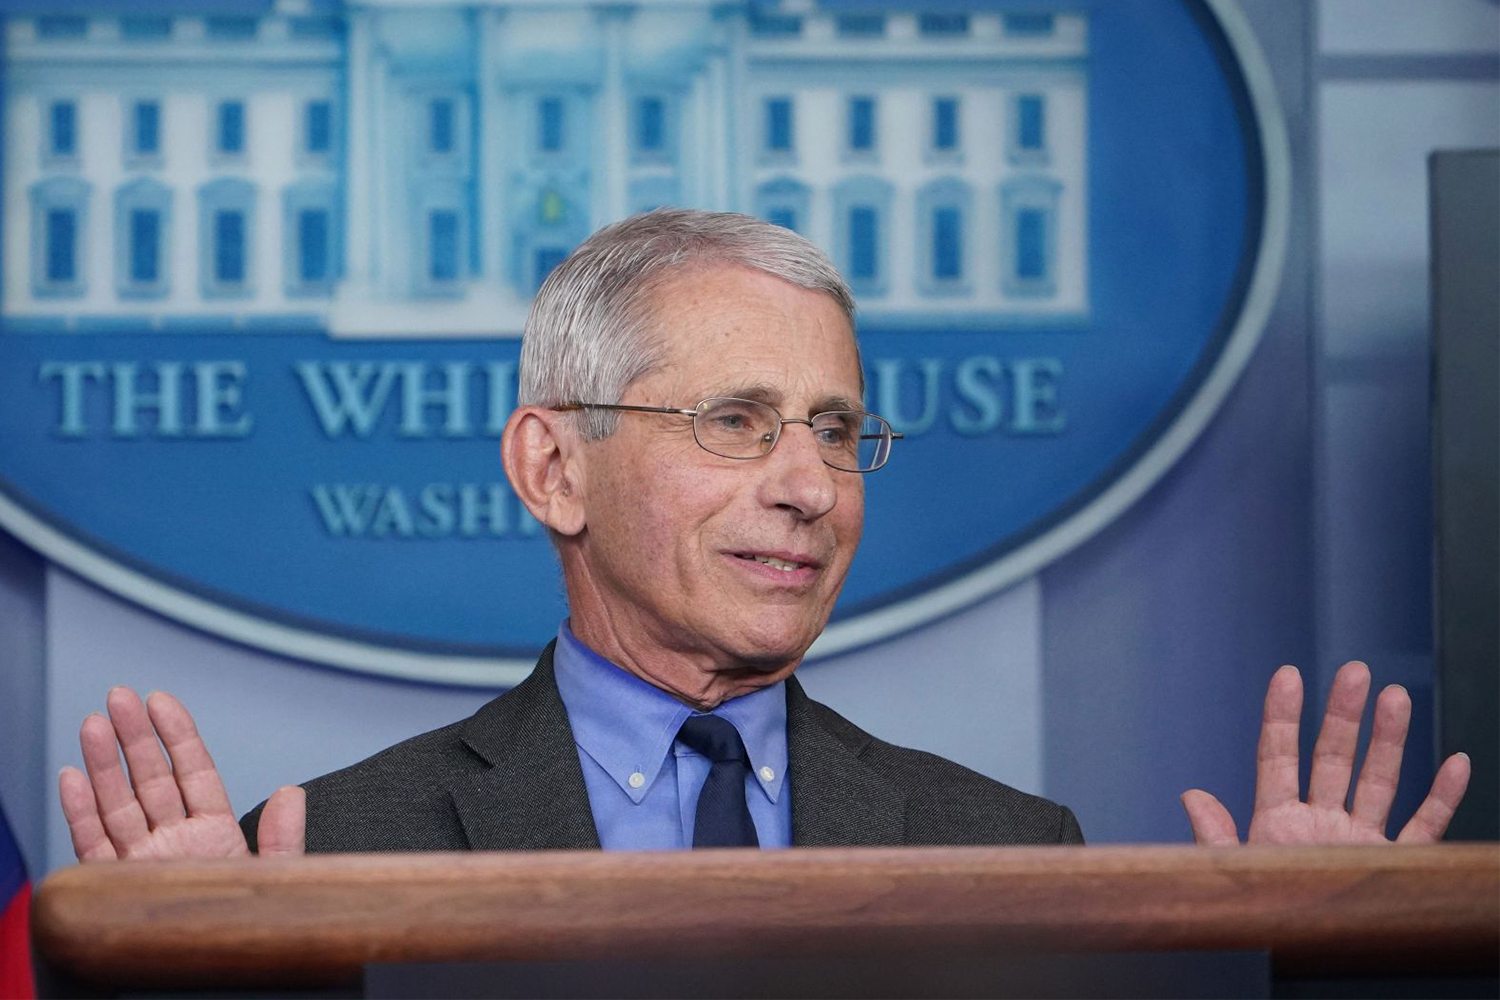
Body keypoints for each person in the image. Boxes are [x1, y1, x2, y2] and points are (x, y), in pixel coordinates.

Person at [58, 210, 1471, 861]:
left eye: (839, 430)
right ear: (555, 466)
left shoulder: (1009, 851)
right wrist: (194, 976)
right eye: (737, 420)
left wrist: (1297, 957)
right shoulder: (322, 859)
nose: (814, 487)